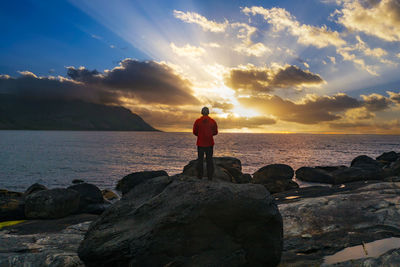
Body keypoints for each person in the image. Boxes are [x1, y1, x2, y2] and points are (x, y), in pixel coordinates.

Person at [193, 107, 218, 180]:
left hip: (200, 143)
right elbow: (215, 132)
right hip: (209, 143)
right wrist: (210, 134)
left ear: (201, 112)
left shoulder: (197, 121)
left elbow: (194, 132)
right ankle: (210, 177)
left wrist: (200, 135)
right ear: (208, 112)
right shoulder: (212, 121)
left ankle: (200, 176)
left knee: (200, 160)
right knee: (209, 160)